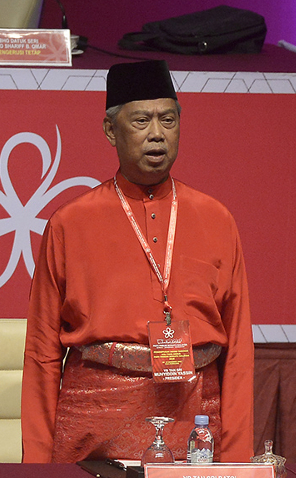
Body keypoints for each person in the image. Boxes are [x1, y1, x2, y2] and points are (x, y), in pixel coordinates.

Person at [22, 60, 254, 462]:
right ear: (111, 130)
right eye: (142, 121)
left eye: (168, 120)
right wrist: (37, 465)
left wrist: (236, 457)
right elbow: (41, 352)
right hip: (93, 426)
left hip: (194, 420)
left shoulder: (216, 218)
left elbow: (238, 351)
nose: (157, 135)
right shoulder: (69, 223)